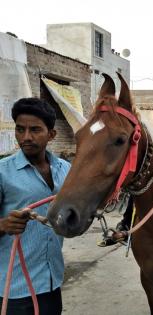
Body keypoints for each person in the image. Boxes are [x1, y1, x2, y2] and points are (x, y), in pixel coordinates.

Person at [0, 98, 71, 315]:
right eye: (20, 130)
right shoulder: (3, 172)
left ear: (51, 135)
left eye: (35, 130)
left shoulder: (66, 170)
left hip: (51, 282)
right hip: (13, 287)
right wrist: (4, 224)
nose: (26, 137)